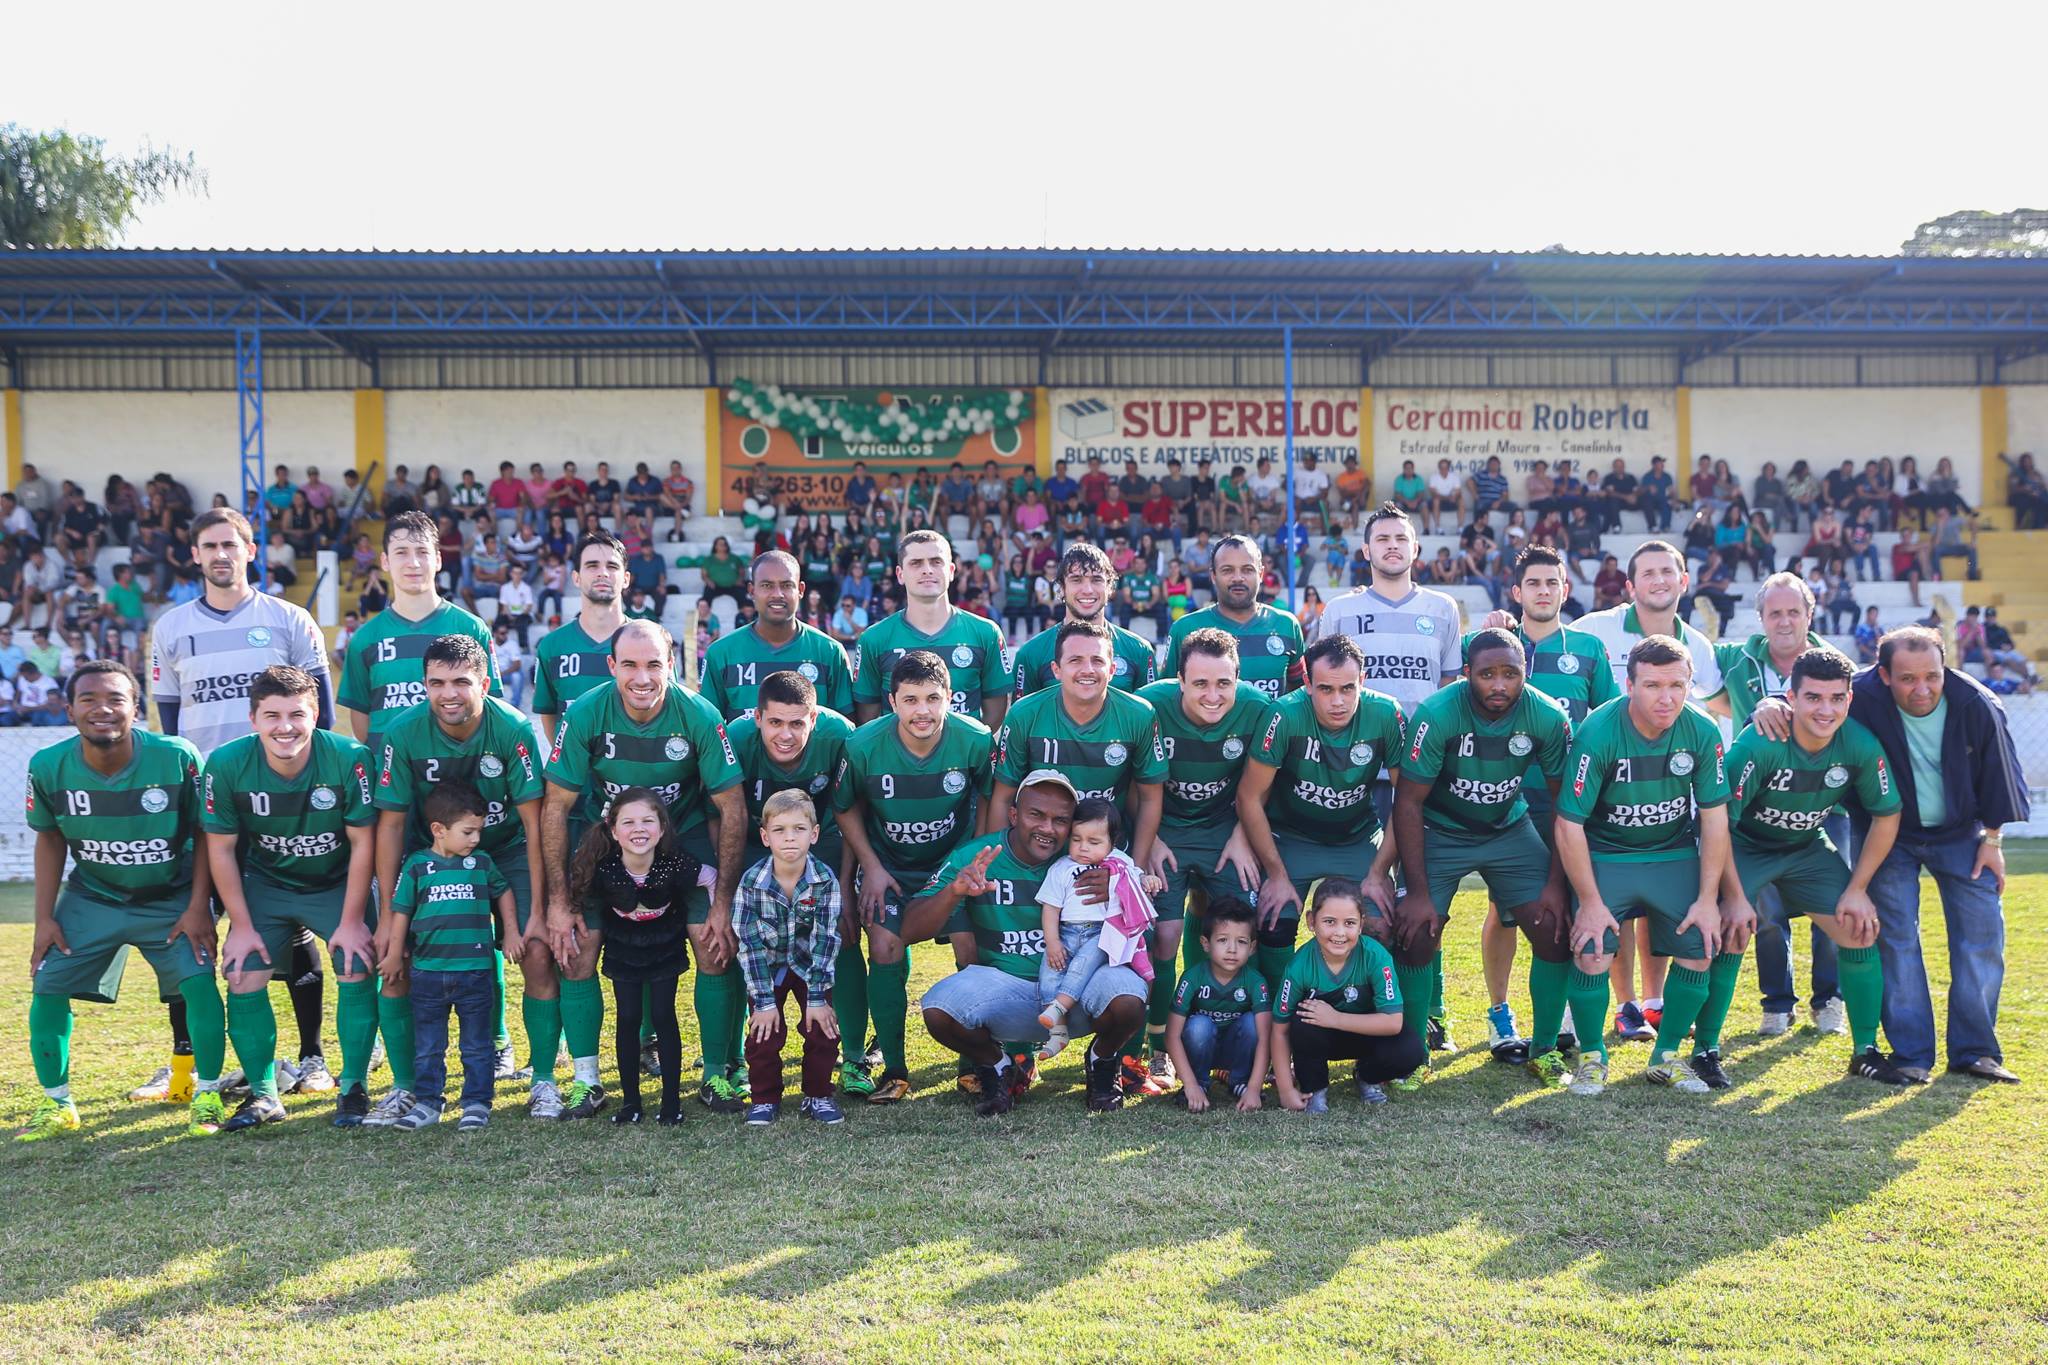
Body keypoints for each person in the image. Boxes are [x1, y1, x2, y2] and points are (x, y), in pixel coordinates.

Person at [142, 506, 335, 1104]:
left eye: (231, 543)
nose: (221, 554)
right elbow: (172, 727)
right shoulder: (170, 628)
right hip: (210, 802)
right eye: (209, 546)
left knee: (294, 923)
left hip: (281, 798)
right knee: (191, 929)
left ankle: (311, 1057)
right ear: (194, 555)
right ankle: (188, 1063)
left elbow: (318, 713)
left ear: (252, 550)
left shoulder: (289, 619)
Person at [541, 617, 746, 1110]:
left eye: (654, 664)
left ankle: (716, 1075)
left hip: (682, 840)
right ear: (611, 665)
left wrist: (722, 903)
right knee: (576, 948)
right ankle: (587, 1079)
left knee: (714, 945)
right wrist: (559, 900)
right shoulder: (587, 712)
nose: (642, 677)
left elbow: (733, 808)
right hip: (605, 842)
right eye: (629, 664)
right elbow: (555, 807)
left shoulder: (697, 714)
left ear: (671, 665)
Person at [16, 662, 226, 1142]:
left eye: (115, 698)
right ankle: (58, 1104)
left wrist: (200, 905)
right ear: (69, 710)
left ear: (136, 708)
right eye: (88, 699)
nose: (102, 709)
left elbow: (204, 831)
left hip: (170, 896)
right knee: (47, 986)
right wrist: (44, 918)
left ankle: (208, 1093)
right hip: (95, 896)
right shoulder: (48, 766)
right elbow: (49, 840)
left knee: (198, 982)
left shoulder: (176, 756)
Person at [370, 634, 544, 1126]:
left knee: (537, 951)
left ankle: (545, 1078)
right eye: (437, 682)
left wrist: (540, 907)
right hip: (430, 855)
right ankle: (408, 1087)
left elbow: (534, 823)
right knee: (398, 958)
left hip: (504, 848)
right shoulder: (402, 734)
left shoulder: (511, 728)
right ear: (423, 685)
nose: (449, 693)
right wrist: (387, 914)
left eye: (461, 682)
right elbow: (388, 825)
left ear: (485, 683)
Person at [1392, 628, 1576, 1089]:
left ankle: (1546, 1049)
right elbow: (1408, 802)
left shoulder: (1548, 716)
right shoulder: (1438, 713)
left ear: (1525, 674)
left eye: (1510, 674)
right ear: (1468, 674)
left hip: (1507, 829)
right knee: (1415, 932)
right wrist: (1415, 892)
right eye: (1487, 674)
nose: (1498, 684)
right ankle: (1412, 1052)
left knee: (1554, 928)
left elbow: (1562, 806)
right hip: (1440, 829)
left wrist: (1556, 884)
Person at [1720, 648, 1912, 1088]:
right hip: (1743, 847)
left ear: (1849, 699)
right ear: (1791, 697)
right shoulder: (1760, 741)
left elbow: (1887, 815)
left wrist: (1858, 888)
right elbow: (1717, 823)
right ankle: (1705, 1051)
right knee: (1726, 931)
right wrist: (1731, 895)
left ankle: (1864, 1051)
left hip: (1805, 848)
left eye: (1836, 698)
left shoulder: (1859, 744)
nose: (1825, 709)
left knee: (1858, 927)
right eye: (1813, 698)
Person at [1846, 627, 2028, 1084]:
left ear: (1945, 668)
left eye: (1932, 675)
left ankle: (1975, 1051)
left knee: (1982, 937)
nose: (1922, 689)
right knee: (1896, 940)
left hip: (1961, 833)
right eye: (1907, 679)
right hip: (1890, 833)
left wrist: (1993, 842)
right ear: (1883, 675)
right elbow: (1811, 707)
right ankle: (1910, 1054)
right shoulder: (1858, 696)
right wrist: (1771, 706)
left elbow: (1998, 773)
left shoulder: (1976, 703)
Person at [908, 770, 1148, 1114]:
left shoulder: (1093, 859)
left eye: (1060, 820)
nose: (1048, 828)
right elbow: (910, 929)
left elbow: (1139, 898)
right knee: (939, 1010)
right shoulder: (978, 855)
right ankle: (998, 1066)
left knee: (1129, 998)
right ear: (1014, 815)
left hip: (1079, 988)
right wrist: (954, 892)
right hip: (1009, 990)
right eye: (1037, 815)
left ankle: (1101, 1060)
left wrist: (1120, 882)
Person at [1553, 636, 1732, 1097]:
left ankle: (1667, 1055)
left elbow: (1713, 818)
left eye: (1678, 684)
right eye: (1653, 685)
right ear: (1629, 684)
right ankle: (1593, 1055)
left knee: (1701, 943)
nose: (1667, 697)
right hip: (1607, 852)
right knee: (1592, 947)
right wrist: (1589, 901)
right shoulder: (1599, 730)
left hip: (1671, 852)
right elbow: (1569, 823)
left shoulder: (1702, 729)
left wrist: (1709, 899)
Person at [204, 666, 379, 1130]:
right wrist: (240, 926)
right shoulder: (225, 764)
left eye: (297, 714)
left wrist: (352, 920)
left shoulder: (349, 757)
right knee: (242, 971)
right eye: (272, 715)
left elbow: (364, 842)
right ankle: (263, 1096)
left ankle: (354, 1087)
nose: (285, 726)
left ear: (316, 713)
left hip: (337, 883)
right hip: (268, 886)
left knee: (356, 961)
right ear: (253, 718)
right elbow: (220, 849)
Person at [832, 651, 995, 1102]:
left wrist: (973, 861)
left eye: (932, 698)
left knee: (970, 947)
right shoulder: (863, 745)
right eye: (910, 700)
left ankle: (975, 1065)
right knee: (884, 946)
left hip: (951, 867)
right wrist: (873, 868)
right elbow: (845, 809)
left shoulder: (976, 739)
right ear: (892, 702)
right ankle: (895, 1069)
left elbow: (991, 796)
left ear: (949, 698)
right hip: (893, 869)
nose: (922, 710)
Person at [1235, 634, 1406, 993]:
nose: (1338, 701)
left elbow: (1406, 799)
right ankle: (1283, 1014)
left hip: (1357, 836)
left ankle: (1366, 1008)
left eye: (1347, 688)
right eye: (1326, 689)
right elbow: (1249, 797)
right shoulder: (1284, 715)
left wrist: (1378, 871)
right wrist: (1276, 874)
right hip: (1292, 837)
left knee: (1382, 924)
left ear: (1363, 680)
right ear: (1308, 684)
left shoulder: (1387, 713)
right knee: (1271, 923)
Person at [383, 783, 515, 1132]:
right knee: (428, 1046)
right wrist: (396, 955)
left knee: (477, 1044)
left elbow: (504, 893)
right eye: (468, 832)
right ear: (439, 830)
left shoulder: (481, 863)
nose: (475, 839)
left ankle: (476, 1103)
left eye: (479, 832)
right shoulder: (416, 866)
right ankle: (428, 1103)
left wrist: (511, 931)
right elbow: (400, 912)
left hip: (475, 972)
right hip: (427, 973)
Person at [572, 787, 701, 1126]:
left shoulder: (675, 862)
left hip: (664, 943)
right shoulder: (604, 866)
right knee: (627, 1017)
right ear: (613, 830)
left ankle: (671, 1102)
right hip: (623, 946)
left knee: (663, 1014)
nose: (639, 829)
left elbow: (711, 876)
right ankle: (631, 1103)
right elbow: (579, 889)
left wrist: (718, 914)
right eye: (628, 822)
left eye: (648, 820)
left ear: (662, 828)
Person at [339, 510, 501, 750]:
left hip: (459, 773)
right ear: (385, 561)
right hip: (389, 778)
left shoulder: (470, 628)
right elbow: (361, 719)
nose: (413, 563)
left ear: (438, 559)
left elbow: (491, 705)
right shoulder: (365, 638)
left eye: (422, 552)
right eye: (401, 552)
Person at [734, 789, 846, 1126]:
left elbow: (826, 939)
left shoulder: (824, 880)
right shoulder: (752, 882)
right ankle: (765, 1098)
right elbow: (750, 945)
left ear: (813, 834)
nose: (789, 838)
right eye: (780, 830)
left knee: (822, 1028)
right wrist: (764, 1001)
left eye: (799, 829)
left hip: (810, 964)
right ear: (765, 837)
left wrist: (816, 997)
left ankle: (818, 1094)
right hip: (767, 967)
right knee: (763, 1033)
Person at [1270, 879, 1429, 1110]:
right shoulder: (1299, 967)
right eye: (1329, 922)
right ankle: (1315, 1088)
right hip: (1320, 1038)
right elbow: (1280, 1030)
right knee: (1301, 1021)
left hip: (1365, 1034)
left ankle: (1367, 1076)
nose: (1340, 932)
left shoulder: (1375, 957)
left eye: (1350, 923)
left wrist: (1336, 1018)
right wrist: (1285, 1090)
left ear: (1361, 924)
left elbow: (1393, 1022)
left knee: (1410, 1050)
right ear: (1311, 921)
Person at [1036, 798, 1162, 1057]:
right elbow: (1050, 908)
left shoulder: (1119, 862)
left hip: (1102, 932)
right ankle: (1057, 1033)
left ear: (1112, 843)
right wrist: (1053, 942)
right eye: (1076, 839)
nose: (1083, 848)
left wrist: (1147, 879)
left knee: (1083, 965)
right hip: (1067, 932)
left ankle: (1060, 1006)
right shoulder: (1061, 868)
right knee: (1049, 972)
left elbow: (1136, 879)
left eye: (1094, 842)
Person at [852, 529, 1009, 729]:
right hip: (896, 760)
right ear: (900, 574)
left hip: (964, 759)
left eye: (936, 562)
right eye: (916, 563)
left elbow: (994, 713)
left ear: (951, 571)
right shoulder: (874, 639)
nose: (927, 570)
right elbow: (868, 717)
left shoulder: (986, 633)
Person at [700, 551, 854, 721]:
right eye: (767, 585)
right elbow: (709, 728)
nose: (777, 594)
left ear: (801, 590)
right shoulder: (720, 654)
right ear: (751, 591)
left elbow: (845, 727)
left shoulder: (829, 652)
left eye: (787, 585)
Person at [1164, 535, 1304, 702]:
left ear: (1260, 574)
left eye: (1247, 569)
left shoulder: (1286, 625)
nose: (1238, 577)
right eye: (1227, 570)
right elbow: (1166, 698)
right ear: (1213, 576)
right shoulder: (1185, 628)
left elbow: (1300, 694)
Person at [1164, 898, 1271, 1112]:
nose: (1232, 949)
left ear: (1252, 948)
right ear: (1206, 943)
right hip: (1201, 1046)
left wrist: (1254, 1087)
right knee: (1199, 1026)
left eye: (1241, 942)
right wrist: (1190, 1085)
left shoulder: (1255, 981)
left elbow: (1266, 1037)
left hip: (1235, 1048)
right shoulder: (1192, 978)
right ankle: (1199, 1083)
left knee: (1253, 1023)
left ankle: (1240, 1081)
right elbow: (1172, 1035)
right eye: (1223, 940)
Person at [1011, 543, 1158, 699]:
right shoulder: (1031, 654)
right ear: (1061, 588)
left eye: (1096, 580)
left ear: (1110, 587)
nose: (1087, 590)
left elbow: (1150, 718)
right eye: (1076, 580)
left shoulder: (1139, 651)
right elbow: (1021, 719)